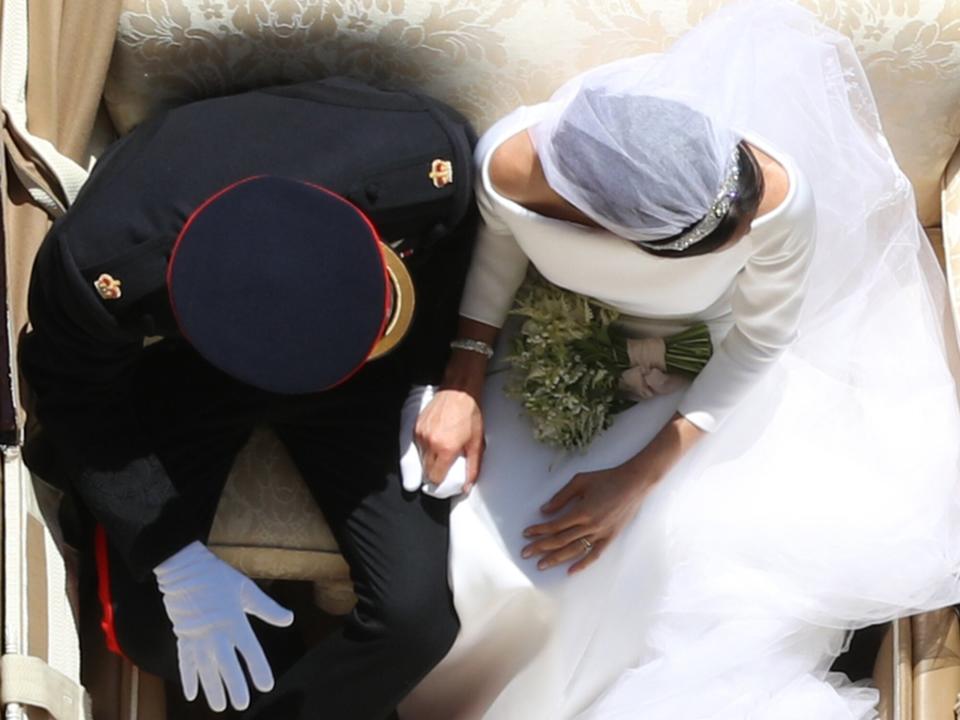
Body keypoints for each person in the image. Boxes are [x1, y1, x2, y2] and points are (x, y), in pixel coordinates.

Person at [402, 3, 960, 718]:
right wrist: (463, 379)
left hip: (706, 380)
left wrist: (637, 478)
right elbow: (500, 255)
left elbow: (760, 339)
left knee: (634, 571)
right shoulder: (515, 164)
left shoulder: (774, 194)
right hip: (549, 339)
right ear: (610, 227)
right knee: (496, 564)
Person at [19, 77, 477, 719]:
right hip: (193, 378)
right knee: (154, 629)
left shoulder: (422, 163)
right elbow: (77, 397)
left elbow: (459, 245)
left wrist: (440, 377)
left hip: (371, 372)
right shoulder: (98, 268)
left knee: (417, 621)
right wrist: (175, 559)